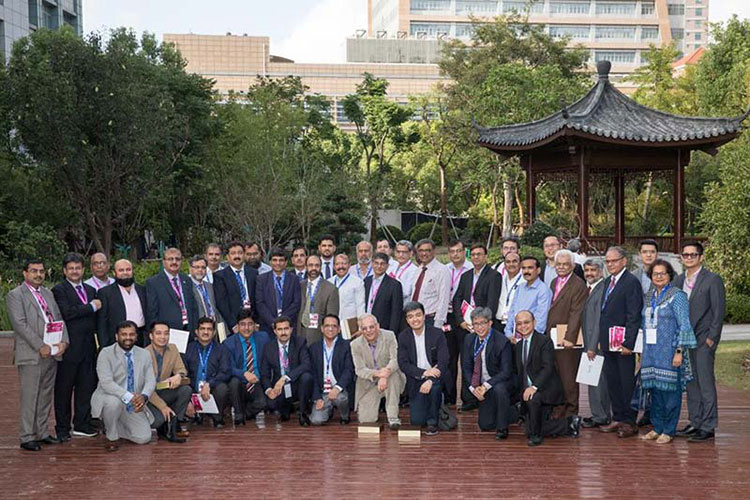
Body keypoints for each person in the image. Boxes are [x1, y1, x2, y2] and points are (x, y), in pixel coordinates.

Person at [7, 258, 69, 451]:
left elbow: (58, 319)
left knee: (45, 395)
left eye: (41, 271)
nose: (38, 274)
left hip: (52, 352)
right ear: (25, 273)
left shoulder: (47, 293)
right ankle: (27, 436)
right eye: (34, 271)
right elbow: (20, 324)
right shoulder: (16, 295)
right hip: (32, 354)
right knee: (30, 395)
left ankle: (41, 432)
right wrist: (40, 346)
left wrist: (64, 341)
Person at [639, 259, 697, 444]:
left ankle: (669, 430)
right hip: (651, 352)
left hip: (670, 352)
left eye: (662, 273)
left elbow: (684, 324)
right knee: (655, 392)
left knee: (671, 393)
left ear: (669, 275)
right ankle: (657, 427)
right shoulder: (649, 296)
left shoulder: (677, 296)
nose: (658, 277)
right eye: (655, 274)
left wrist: (679, 351)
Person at [674, 241, 726, 442]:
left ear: (701, 257)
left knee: (705, 382)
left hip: (704, 339)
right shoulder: (679, 280)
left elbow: (718, 311)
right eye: (685, 255)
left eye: (693, 255)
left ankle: (708, 425)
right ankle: (695, 422)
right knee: (691, 382)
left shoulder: (712, 279)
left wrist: (712, 338)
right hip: (685, 340)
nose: (689, 258)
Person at [51, 253, 100, 441]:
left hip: (88, 347)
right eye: (71, 268)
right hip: (69, 348)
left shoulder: (90, 290)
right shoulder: (59, 290)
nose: (74, 271)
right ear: (65, 271)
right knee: (64, 390)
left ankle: (82, 424)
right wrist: (91, 307)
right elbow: (68, 313)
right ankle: (62, 428)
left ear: (83, 270)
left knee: (85, 388)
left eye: (78, 268)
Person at [514, 311, 581, 447]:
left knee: (532, 426)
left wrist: (534, 387)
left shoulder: (544, 341)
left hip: (545, 389)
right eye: (519, 324)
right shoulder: (518, 346)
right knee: (528, 427)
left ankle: (536, 436)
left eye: (526, 322)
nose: (523, 326)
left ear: (534, 323)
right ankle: (568, 424)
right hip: (528, 392)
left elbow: (548, 368)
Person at [598, 246, 643, 438]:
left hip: (623, 343)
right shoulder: (608, 281)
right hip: (608, 341)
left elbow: (634, 314)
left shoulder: (631, 282)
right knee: (613, 382)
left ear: (624, 261)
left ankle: (629, 421)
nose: (610, 264)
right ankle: (617, 417)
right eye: (607, 261)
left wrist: (629, 343)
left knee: (626, 383)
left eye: (613, 261)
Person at [91, 320, 154, 451]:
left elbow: (150, 380)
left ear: (136, 336)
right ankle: (111, 436)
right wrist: (130, 397)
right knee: (113, 403)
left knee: (144, 438)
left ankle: (114, 424)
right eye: (123, 334)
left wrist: (143, 396)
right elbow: (106, 383)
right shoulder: (105, 353)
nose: (127, 338)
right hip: (111, 397)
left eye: (131, 334)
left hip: (133, 403)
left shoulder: (145, 354)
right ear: (116, 336)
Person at [450, 244, 501, 406]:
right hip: (465, 325)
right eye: (473, 254)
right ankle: (469, 398)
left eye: (479, 254)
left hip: (482, 327)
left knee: (482, 361)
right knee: (467, 362)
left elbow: (492, 302)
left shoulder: (494, 276)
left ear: (486, 256)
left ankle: (485, 396)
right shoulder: (466, 275)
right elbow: (457, 298)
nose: (476, 257)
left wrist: (482, 324)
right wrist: (460, 321)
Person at [545, 249, 588, 417]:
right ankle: (559, 408)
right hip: (552, 335)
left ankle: (571, 412)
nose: (561, 267)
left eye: (565, 264)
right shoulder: (553, 282)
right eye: (559, 264)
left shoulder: (578, 285)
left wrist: (570, 337)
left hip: (567, 338)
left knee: (568, 377)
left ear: (573, 266)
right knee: (556, 375)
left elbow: (577, 312)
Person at [461, 307, 513, 440]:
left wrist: (486, 386)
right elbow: (466, 367)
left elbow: (506, 371)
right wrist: (474, 388)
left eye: (483, 323)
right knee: (485, 424)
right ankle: (512, 412)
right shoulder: (469, 339)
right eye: (476, 324)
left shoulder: (502, 341)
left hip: (498, 383)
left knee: (500, 389)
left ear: (490, 323)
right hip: (481, 386)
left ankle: (502, 428)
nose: (479, 327)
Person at [398, 302, 450, 436]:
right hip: (416, 378)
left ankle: (433, 421)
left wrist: (430, 379)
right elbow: (403, 364)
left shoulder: (437, 334)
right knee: (417, 421)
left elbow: (444, 361)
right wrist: (424, 373)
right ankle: (435, 406)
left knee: (434, 388)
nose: (415, 319)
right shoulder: (403, 336)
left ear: (424, 316)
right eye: (410, 317)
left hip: (435, 377)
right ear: (407, 320)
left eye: (418, 315)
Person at [350, 314, 404, 429]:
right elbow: (359, 370)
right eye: (364, 328)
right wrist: (378, 374)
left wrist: (384, 375)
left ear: (377, 326)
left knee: (393, 376)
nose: (368, 331)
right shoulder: (355, 345)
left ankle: (393, 417)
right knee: (366, 420)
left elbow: (395, 360)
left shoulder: (389, 336)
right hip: (369, 383)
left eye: (371, 327)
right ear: (361, 330)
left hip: (389, 379)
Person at [260, 316, 313, 426]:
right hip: (279, 388)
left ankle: (303, 413)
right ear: (275, 331)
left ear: (291, 329)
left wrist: (285, 378)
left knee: (306, 377)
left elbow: (306, 365)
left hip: (296, 383)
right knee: (271, 404)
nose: (283, 332)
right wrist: (269, 390)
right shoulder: (268, 347)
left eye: (286, 329)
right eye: (280, 329)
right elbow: (264, 374)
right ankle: (287, 407)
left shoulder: (300, 342)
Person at [145, 321, 191, 443]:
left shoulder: (173, 348)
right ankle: (164, 423)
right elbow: (145, 388)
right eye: (158, 333)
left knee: (185, 390)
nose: (163, 337)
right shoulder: (143, 354)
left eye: (166, 333)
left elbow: (182, 369)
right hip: (148, 396)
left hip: (163, 390)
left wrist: (178, 376)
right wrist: (163, 407)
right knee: (157, 421)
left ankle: (175, 425)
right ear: (151, 336)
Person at [224, 310, 270, 425]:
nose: (246, 328)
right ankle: (238, 414)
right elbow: (228, 367)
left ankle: (246, 412)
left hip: (257, 381)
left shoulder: (263, 338)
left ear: (255, 326)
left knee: (263, 403)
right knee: (234, 382)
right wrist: (244, 374)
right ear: (237, 326)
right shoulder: (228, 343)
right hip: (240, 382)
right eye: (243, 324)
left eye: (250, 324)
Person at [184, 317, 231, 428]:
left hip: (212, 388)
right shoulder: (188, 349)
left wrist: (209, 384)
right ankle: (196, 415)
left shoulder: (222, 349)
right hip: (193, 388)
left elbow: (225, 372)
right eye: (202, 329)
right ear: (196, 331)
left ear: (214, 332)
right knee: (183, 389)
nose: (205, 332)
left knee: (222, 388)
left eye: (209, 329)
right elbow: (182, 371)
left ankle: (217, 417)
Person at [581, 259, 612, 428]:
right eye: (586, 270)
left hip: (595, 345)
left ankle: (601, 416)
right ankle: (599, 413)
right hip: (588, 342)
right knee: (593, 381)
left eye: (593, 270)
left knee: (598, 382)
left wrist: (592, 346)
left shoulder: (602, 289)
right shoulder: (590, 289)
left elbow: (599, 320)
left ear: (600, 271)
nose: (589, 273)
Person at [309, 315, 355, 425]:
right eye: (327, 326)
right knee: (316, 420)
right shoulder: (314, 348)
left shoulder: (347, 346)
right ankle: (328, 410)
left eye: (334, 326)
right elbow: (312, 374)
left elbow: (349, 370)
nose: (330, 329)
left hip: (340, 390)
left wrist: (337, 388)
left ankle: (345, 415)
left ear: (339, 329)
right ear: (322, 328)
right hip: (323, 392)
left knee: (341, 398)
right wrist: (317, 398)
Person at [145, 248, 199, 335]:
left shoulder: (187, 280)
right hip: (167, 333)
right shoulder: (153, 283)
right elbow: (152, 312)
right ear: (163, 262)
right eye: (170, 259)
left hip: (189, 330)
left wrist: (195, 327)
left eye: (177, 259)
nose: (174, 262)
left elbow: (193, 307)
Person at [97, 259, 147, 349]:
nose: (125, 273)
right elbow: (102, 323)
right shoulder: (105, 293)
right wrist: (104, 347)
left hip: (141, 338)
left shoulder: (143, 290)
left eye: (128, 269)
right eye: (121, 270)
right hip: (118, 340)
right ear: (114, 273)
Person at [213, 240, 259, 335]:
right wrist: (233, 325)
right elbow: (222, 303)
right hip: (234, 324)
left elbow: (257, 298)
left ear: (244, 255)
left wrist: (257, 322)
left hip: (252, 321)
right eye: (233, 253)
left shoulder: (253, 273)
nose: (237, 256)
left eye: (240, 253)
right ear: (227, 257)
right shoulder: (220, 276)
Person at [256, 247, 301, 334]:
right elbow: (260, 303)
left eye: (281, 260)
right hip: (268, 326)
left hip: (288, 326)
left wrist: (283, 322)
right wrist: (273, 322)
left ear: (286, 262)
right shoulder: (261, 279)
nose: (278, 263)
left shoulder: (294, 279)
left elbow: (296, 303)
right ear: (270, 262)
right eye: (275, 260)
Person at [505, 257, 552, 339]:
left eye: (530, 268)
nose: (526, 271)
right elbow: (512, 311)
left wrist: (530, 338)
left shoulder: (543, 290)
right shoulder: (520, 288)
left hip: (532, 338)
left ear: (538, 270)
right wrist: (508, 333)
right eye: (524, 268)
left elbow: (541, 319)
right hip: (515, 337)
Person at [299, 255, 340, 345]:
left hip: (319, 338)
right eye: (310, 265)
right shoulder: (299, 286)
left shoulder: (331, 289)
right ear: (306, 267)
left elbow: (331, 318)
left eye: (317, 265)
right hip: (299, 335)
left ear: (321, 267)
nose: (314, 268)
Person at [412, 239, 451, 329]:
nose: (424, 253)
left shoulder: (441, 270)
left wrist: (438, 324)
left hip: (431, 319)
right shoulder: (419, 269)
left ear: (434, 251)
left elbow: (443, 299)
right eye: (421, 250)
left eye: (428, 250)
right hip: (416, 319)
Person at [364, 252, 404, 332]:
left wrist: (392, 332)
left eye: (382, 264)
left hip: (384, 328)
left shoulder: (395, 285)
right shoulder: (366, 281)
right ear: (372, 264)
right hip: (366, 327)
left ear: (387, 266)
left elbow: (396, 312)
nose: (379, 266)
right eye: (376, 263)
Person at [329, 253, 365, 339]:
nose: (341, 266)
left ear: (349, 265)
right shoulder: (329, 282)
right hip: (332, 324)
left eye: (344, 263)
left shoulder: (357, 282)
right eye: (337, 264)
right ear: (334, 266)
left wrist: (361, 327)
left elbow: (360, 306)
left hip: (350, 324)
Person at [188, 255, 223, 324]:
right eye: (197, 267)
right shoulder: (187, 286)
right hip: (198, 326)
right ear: (190, 269)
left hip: (214, 325)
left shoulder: (210, 286)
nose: (200, 270)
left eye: (203, 267)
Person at [494, 252, 523, 333]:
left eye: (514, 261)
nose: (511, 264)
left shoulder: (525, 281)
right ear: (504, 264)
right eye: (508, 262)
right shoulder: (500, 279)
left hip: (515, 325)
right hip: (498, 323)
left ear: (520, 263)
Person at [446, 239, 472, 307]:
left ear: (464, 252)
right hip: (446, 308)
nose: (455, 254)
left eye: (458, 251)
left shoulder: (471, 269)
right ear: (448, 254)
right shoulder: (445, 269)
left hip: (463, 308)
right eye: (452, 251)